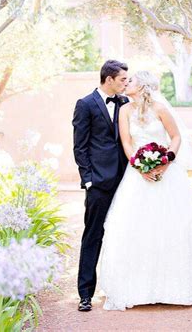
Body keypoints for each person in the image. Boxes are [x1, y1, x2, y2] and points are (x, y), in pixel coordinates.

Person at [99, 70, 192, 311]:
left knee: (174, 225)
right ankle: (138, 289)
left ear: (143, 85)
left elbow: (176, 136)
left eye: (131, 81)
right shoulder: (125, 111)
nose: (127, 84)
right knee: (135, 227)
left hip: (168, 175)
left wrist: (166, 160)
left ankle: (175, 287)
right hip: (137, 177)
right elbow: (127, 142)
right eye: (125, 81)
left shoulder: (160, 108)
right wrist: (139, 167)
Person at [72, 60, 129, 311]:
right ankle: (85, 294)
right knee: (93, 234)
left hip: (127, 180)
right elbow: (80, 146)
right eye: (122, 80)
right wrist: (88, 178)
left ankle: (124, 288)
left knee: (125, 234)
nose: (126, 84)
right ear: (109, 80)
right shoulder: (85, 105)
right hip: (98, 182)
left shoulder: (126, 103)